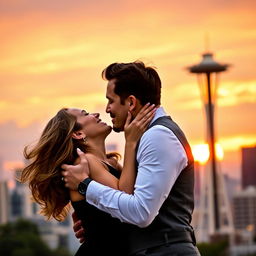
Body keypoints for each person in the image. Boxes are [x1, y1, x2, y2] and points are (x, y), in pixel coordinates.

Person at [62, 61, 201, 255]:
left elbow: (140, 211)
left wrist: (86, 187)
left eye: (111, 100)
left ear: (131, 102)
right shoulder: (148, 137)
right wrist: (92, 218)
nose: (107, 109)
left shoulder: (158, 136)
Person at [20, 105, 156, 256]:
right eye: (86, 114)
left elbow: (140, 194)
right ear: (78, 133)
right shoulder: (86, 163)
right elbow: (126, 199)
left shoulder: (110, 163)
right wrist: (130, 142)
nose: (97, 114)